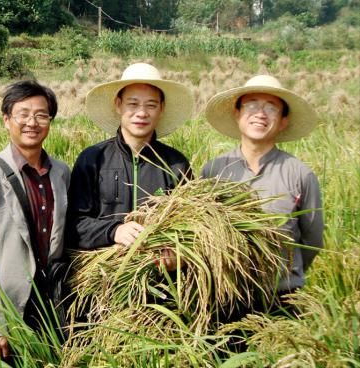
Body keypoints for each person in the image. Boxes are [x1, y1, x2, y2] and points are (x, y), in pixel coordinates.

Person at [0, 80, 70, 362]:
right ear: (7, 120)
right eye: (23, 113)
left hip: (46, 319)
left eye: (41, 115)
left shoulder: (62, 173)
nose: (32, 122)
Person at [201, 75, 324, 312]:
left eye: (271, 107)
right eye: (252, 105)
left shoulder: (300, 174)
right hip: (226, 296)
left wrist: (287, 271)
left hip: (282, 298)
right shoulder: (213, 171)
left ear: (283, 121)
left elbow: (312, 241)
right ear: (237, 113)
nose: (260, 114)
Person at [67, 63, 193, 264]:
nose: (141, 113)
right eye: (133, 104)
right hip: (103, 280)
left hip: (159, 285)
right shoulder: (92, 159)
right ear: (118, 105)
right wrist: (113, 231)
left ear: (161, 109)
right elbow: (74, 225)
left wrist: (176, 258)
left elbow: (190, 227)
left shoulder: (176, 164)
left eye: (151, 105)